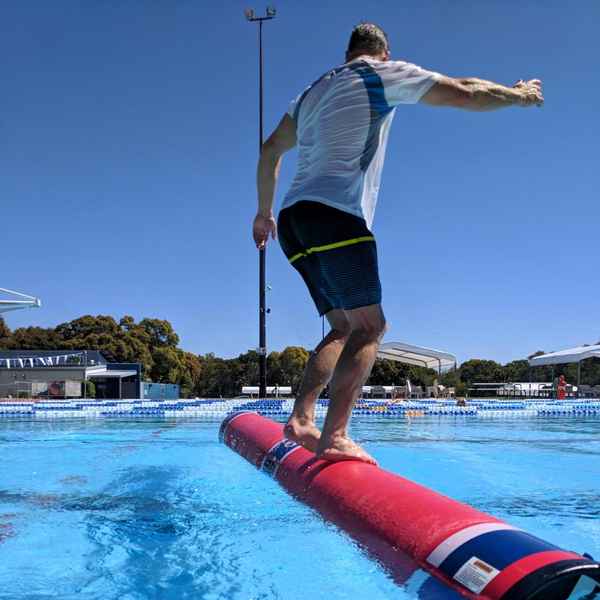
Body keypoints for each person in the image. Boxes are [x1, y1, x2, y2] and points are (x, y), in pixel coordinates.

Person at [252, 23, 543, 465]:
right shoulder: (378, 74)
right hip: (335, 216)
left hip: (293, 221)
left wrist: (262, 212)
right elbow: (465, 91)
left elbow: (270, 149)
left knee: (343, 326)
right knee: (371, 327)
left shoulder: (310, 94)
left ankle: (301, 419)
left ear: (347, 51)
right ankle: (335, 436)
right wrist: (519, 95)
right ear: (382, 53)